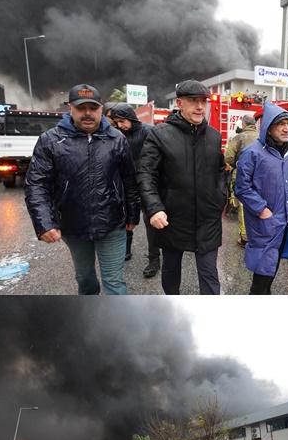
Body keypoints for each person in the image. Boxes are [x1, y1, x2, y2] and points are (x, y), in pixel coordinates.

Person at [24, 83, 140, 295]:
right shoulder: (50, 141)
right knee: (85, 280)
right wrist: (44, 223)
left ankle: (119, 326)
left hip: (112, 224)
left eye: (93, 108)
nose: (87, 113)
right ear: (70, 108)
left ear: (101, 109)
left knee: (114, 282)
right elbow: (37, 184)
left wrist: (133, 215)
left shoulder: (117, 139)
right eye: (81, 108)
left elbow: (129, 181)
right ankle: (89, 321)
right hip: (73, 226)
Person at [138, 79, 227, 295]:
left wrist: (220, 196)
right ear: (179, 103)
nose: (199, 107)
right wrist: (155, 208)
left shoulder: (214, 136)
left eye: (203, 102)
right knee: (171, 270)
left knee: (209, 273)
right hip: (173, 218)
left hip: (207, 219)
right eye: (192, 101)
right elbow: (146, 173)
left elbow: (220, 170)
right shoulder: (160, 134)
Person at [233, 103, 288, 295]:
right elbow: (242, 187)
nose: (285, 128)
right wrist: (262, 210)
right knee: (262, 273)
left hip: (287, 221)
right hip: (264, 224)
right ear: (268, 127)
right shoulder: (253, 153)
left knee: (272, 267)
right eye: (280, 124)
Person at [110, 102, 160, 278]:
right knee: (126, 219)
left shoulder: (148, 131)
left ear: (130, 117)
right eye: (116, 122)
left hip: (147, 184)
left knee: (150, 223)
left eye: (122, 121)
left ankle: (154, 260)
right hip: (127, 185)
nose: (120, 125)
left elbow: (156, 159)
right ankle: (126, 250)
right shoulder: (117, 135)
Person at [225, 114, 259, 247]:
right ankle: (257, 236)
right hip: (259, 178)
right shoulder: (262, 139)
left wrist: (236, 164)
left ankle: (245, 238)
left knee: (243, 206)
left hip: (242, 176)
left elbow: (228, 157)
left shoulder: (239, 138)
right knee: (258, 204)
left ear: (244, 125)